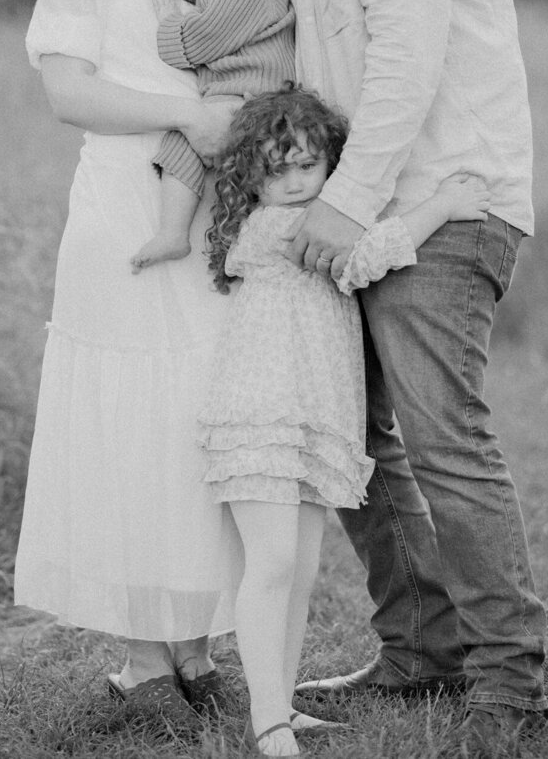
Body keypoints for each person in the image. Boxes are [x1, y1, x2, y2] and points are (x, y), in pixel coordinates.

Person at [192, 0, 548, 757]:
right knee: (359, 439)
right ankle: (420, 646)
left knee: (443, 439)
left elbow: (405, 59)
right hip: (353, 206)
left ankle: (507, 681)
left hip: (447, 197)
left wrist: (343, 204)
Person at [14, 0, 242, 734]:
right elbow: (69, 92)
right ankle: (145, 658)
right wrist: (185, 110)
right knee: (128, 418)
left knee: (195, 415)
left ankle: (195, 643)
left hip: (203, 217)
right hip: (117, 207)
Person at [200, 85, 492, 757]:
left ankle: (282, 705)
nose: (297, 183)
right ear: (252, 177)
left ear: (329, 163)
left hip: (307, 419)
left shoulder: (304, 219)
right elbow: (367, 254)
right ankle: (267, 721)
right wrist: (443, 204)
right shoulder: (280, 230)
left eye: (308, 166)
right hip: (264, 417)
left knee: (298, 572)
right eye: (278, 170)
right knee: (272, 566)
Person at [130, 0, 294, 269]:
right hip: (245, 99)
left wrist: (170, 21)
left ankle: (173, 234)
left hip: (252, 100)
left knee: (185, 135)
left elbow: (199, 41)